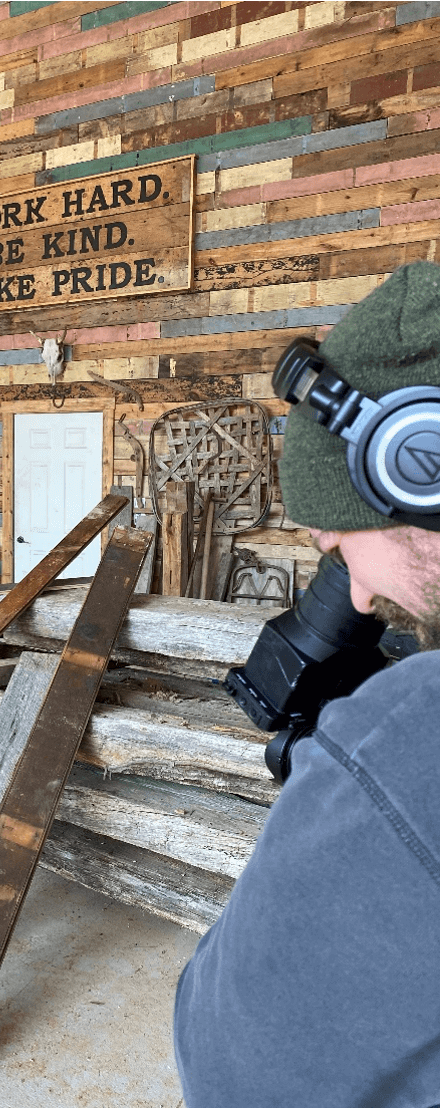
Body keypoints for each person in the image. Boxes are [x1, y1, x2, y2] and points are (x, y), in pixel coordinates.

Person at [173, 261, 440, 1105]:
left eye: (343, 543)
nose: (359, 598)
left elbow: (233, 1073)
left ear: (419, 464)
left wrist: (345, 777)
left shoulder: (406, 755)